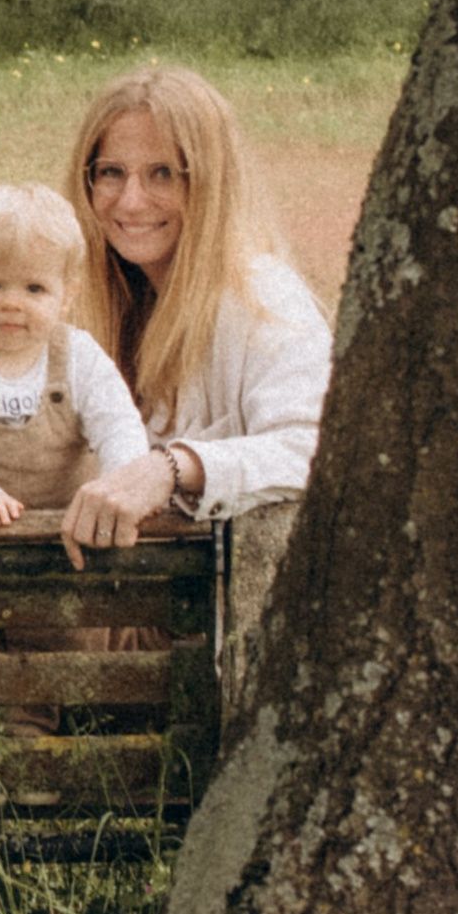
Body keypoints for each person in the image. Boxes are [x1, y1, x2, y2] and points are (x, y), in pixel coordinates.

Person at [56, 63, 332, 552]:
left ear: (210, 182)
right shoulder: (93, 305)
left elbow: (316, 449)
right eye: (111, 173)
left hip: (208, 613)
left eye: (162, 173)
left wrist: (173, 467)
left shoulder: (263, 297)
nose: (131, 201)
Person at [0, 181, 149, 525]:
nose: (11, 303)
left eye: (35, 288)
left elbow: (118, 427)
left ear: (66, 296)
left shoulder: (79, 357)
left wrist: (121, 487)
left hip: (68, 526)